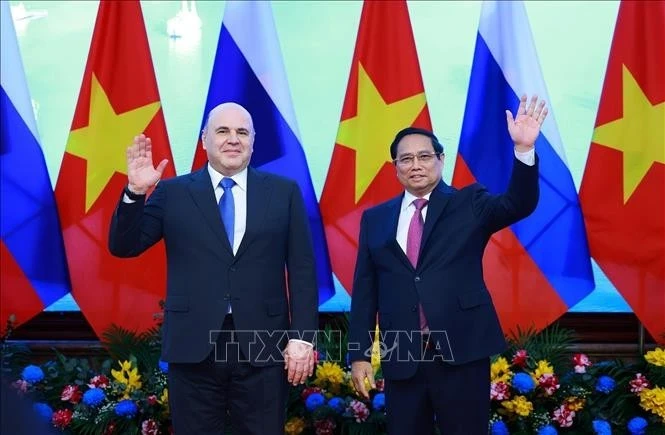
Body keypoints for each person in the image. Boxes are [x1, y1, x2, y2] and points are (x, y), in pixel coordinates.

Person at [109, 102, 318, 434]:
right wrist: (135, 191)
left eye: (242, 132)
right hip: (193, 347)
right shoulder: (173, 192)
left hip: (264, 346)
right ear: (204, 139)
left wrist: (303, 339)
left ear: (253, 140)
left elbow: (304, 269)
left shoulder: (283, 192)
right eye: (223, 131)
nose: (233, 139)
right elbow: (124, 246)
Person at [348, 95, 548, 434]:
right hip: (403, 357)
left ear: (440, 160)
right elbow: (365, 291)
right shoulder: (376, 219)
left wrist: (524, 151)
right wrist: (359, 355)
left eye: (425, 156)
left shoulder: (469, 203)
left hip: (462, 352)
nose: (416, 165)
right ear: (395, 167)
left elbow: (519, 203)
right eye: (406, 158)